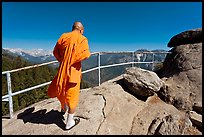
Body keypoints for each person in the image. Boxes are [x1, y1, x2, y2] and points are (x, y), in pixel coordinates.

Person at [47, 21, 91, 130]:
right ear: (81, 30)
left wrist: (63, 60)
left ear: (73, 28)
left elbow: (55, 52)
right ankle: (69, 122)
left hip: (62, 70)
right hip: (73, 73)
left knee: (61, 89)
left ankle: (63, 108)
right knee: (73, 96)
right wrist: (71, 60)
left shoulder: (64, 36)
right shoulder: (82, 39)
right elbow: (86, 54)